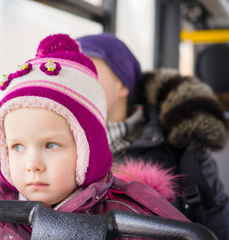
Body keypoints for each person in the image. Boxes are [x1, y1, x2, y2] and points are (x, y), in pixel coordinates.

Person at [0, 34, 189, 239]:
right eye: (17, 147)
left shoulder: (131, 220)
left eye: (51, 145)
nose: (32, 165)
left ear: (87, 152)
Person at [76, 32, 229, 240]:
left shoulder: (183, 147)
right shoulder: (46, 142)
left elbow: (215, 219)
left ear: (122, 84)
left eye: (84, 69)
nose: (73, 80)